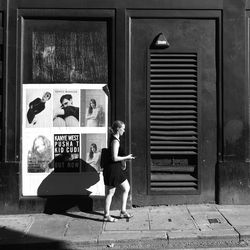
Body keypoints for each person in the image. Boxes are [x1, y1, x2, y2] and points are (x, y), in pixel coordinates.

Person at [103, 120, 135, 222]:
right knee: (110, 192)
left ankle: (123, 211)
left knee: (126, 187)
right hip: (112, 169)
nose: (124, 131)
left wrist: (124, 161)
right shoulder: (115, 141)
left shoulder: (116, 139)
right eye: (123, 128)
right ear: (118, 129)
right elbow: (114, 158)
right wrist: (127, 157)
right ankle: (106, 215)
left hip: (116, 169)